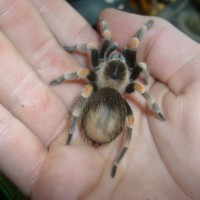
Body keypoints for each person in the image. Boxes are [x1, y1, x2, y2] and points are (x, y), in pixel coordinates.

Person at [0, 1, 199, 199]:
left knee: (88, 70)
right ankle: (117, 159)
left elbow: (87, 53)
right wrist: (152, 98)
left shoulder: (93, 73)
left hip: (99, 99)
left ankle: (75, 133)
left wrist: (65, 70)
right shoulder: (133, 83)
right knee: (129, 121)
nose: (119, 58)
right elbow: (142, 76)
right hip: (114, 103)